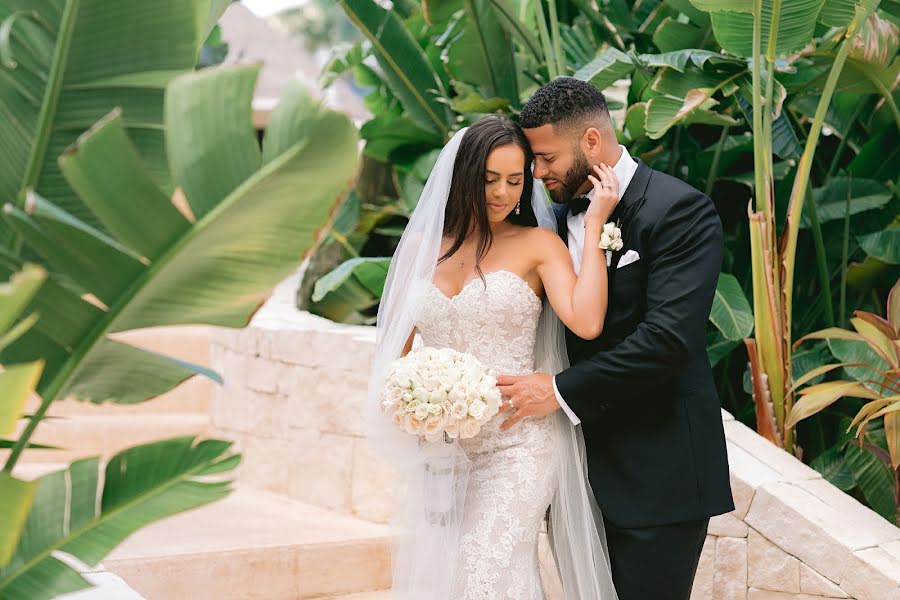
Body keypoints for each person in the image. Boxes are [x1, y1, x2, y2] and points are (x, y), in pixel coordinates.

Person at [498, 77, 734, 600]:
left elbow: (668, 340)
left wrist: (557, 391)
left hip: (658, 476)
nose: (538, 173)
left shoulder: (679, 210)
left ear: (590, 142)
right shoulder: (552, 223)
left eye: (546, 158)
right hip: (575, 480)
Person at [366, 115, 621, 599]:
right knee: (460, 578)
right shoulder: (422, 248)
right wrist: (419, 405)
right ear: (463, 178)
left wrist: (594, 224)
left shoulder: (538, 245)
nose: (502, 193)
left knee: (481, 567)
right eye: (488, 180)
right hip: (446, 450)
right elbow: (392, 359)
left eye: (514, 180)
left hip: (518, 442)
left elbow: (586, 321)